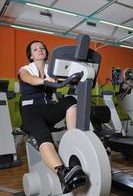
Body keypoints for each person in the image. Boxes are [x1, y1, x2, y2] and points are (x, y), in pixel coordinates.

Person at [18, 40, 86, 194]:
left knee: (70, 100)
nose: (40, 50)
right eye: (35, 49)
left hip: (48, 109)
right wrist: (43, 81)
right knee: (43, 135)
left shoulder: (52, 70)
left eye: (42, 48)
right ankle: (63, 174)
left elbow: (66, 79)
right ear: (31, 56)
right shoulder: (25, 69)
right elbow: (28, 78)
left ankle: (73, 140)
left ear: (46, 53)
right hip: (30, 111)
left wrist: (79, 76)